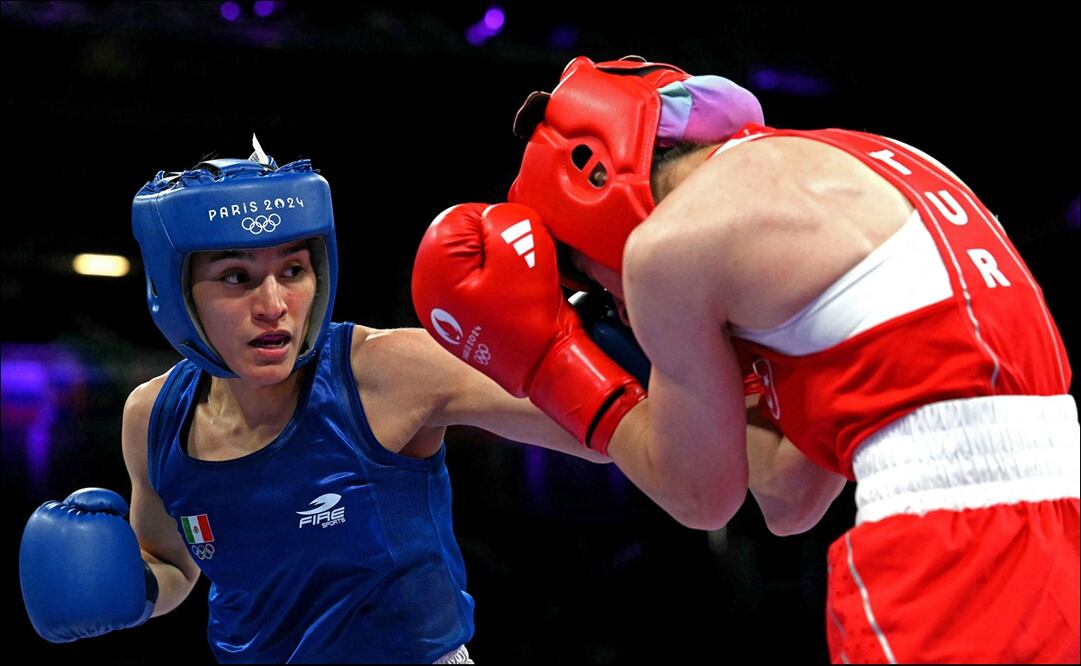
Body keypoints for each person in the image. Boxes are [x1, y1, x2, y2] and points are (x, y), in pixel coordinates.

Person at [410, 57, 1080, 663]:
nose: (612, 305)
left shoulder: (670, 247)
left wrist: (551, 359)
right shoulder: (866, 156)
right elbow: (789, 494)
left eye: (588, 282)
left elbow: (701, 495)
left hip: (948, 546)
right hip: (1055, 517)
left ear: (591, 185)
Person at [18, 137, 607, 664]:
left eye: (293, 270)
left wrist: (603, 315)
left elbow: (598, 430)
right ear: (177, 295)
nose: (273, 303)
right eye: (235, 277)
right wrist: (134, 590)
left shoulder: (384, 371)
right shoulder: (153, 418)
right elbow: (171, 563)